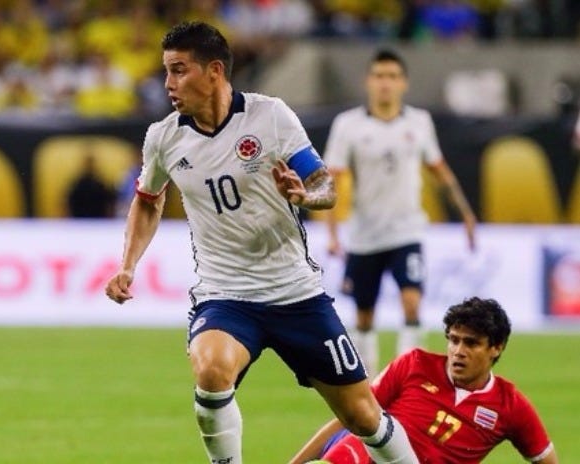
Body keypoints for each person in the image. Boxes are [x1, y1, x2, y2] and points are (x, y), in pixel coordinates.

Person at [105, 21, 419, 464]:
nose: (168, 84)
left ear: (214, 71)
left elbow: (325, 186)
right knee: (212, 370)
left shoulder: (270, 116)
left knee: (363, 416)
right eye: (167, 72)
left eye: (179, 70)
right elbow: (147, 201)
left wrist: (304, 195)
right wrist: (128, 263)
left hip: (296, 293)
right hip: (226, 294)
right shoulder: (163, 136)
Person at [323, 49, 477, 375]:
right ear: (369, 81)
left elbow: (440, 170)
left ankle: (409, 378)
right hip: (365, 235)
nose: (385, 84)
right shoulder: (348, 125)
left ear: (403, 83)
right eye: (379, 76)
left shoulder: (419, 122)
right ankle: (367, 381)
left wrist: (465, 212)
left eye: (392, 77)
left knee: (412, 302)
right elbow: (331, 183)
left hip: (407, 232)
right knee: (364, 314)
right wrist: (333, 234)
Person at [289, 297, 558, 464]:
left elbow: (545, 459)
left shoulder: (510, 406)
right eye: (453, 340)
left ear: (496, 348)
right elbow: (351, 417)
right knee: (359, 441)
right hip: (368, 457)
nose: (458, 351)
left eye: (471, 343)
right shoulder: (414, 364)